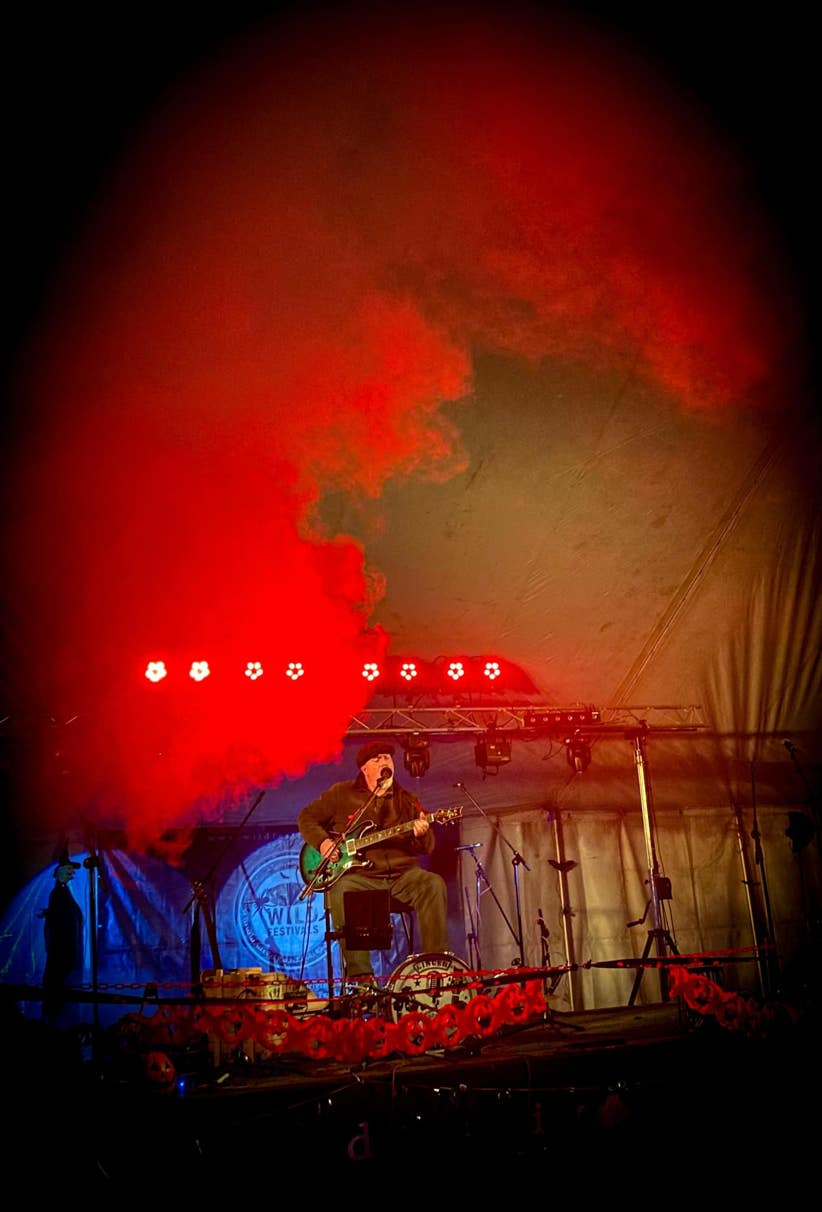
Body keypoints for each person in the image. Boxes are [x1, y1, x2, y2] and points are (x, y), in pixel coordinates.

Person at [297, 740, 449, 989]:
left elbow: (426, 848)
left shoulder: (408, 800)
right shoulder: (341, 793)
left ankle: (436, 967)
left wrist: (422, 834)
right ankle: (361, 979)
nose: (384, 763)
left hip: (402, 875)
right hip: (361, 878)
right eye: (377, 760)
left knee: (432, 883)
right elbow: (306, 818)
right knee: (343, 889)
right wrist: (324, 843)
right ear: (364, 769)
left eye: (387, 758)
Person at [39, 844, 84, 1022]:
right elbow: (58, 927)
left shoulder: (63, 893)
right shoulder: (58, 893)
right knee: (59, 1006)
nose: (71, 873)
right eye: (67, 870)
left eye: (71, 870)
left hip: (66, 957)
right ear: (59, 872)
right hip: (62, 958)